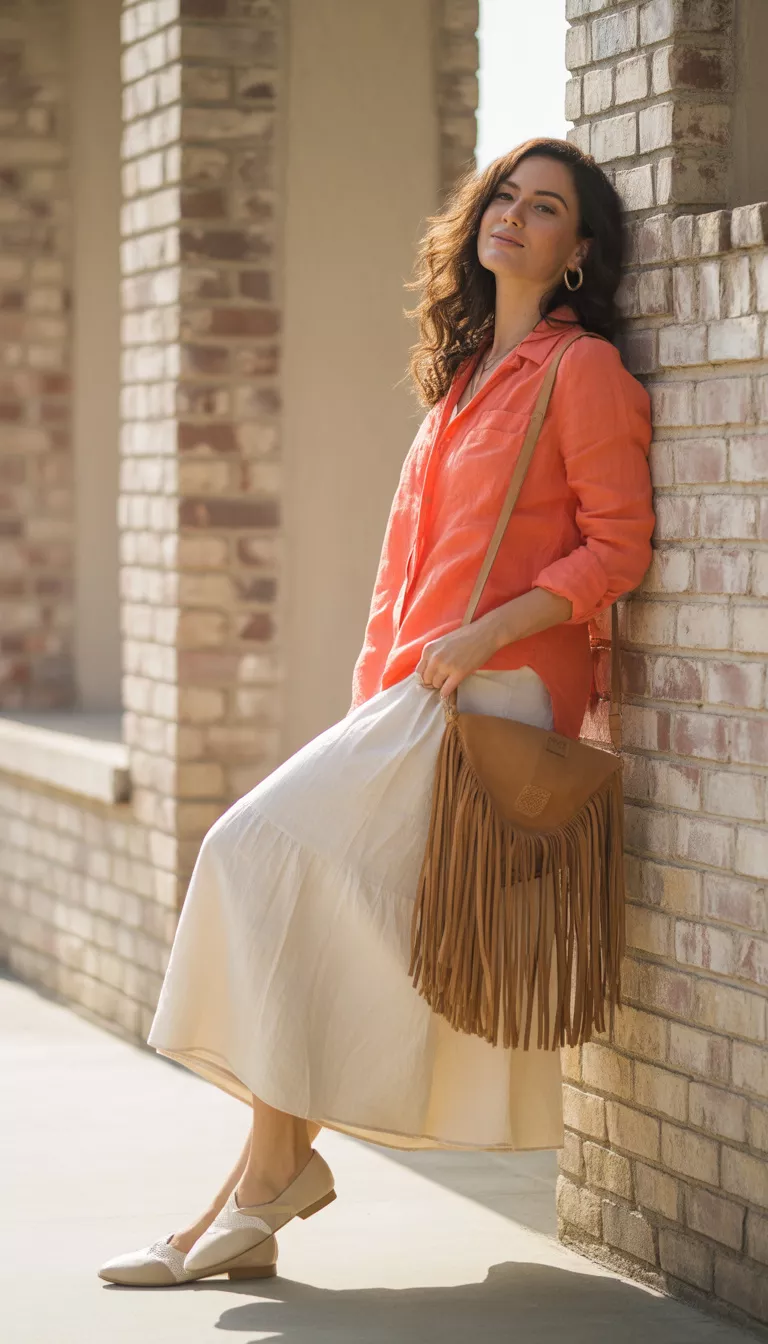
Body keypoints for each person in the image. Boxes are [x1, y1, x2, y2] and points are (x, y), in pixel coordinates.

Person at [98, 137, 655, 1287]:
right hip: (414, 698)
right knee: (317, 920)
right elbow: (400, 576)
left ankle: (249, 1198)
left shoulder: (581, 369)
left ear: (575, 253)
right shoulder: (455, 384)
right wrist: (368, 705)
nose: (513, 213)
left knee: (251, 848)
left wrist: (489, 633)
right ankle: (248, 1199)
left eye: (544, 207)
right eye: (503, 194)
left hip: (499, 697)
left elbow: (620, 546)